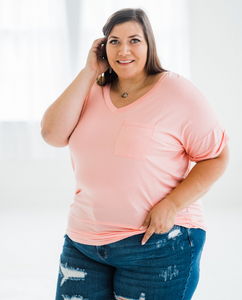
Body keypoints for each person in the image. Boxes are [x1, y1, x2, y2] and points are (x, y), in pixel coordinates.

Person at [41, 8, 229, 300]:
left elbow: (216, 156)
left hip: (158, 246)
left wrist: (173, 204)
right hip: (83, 243)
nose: (123, 49)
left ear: (149, 44)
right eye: (114, 41)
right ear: (103, 47)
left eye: (134, 40)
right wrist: (90, 71)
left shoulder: (177, 92)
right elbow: (52, 134)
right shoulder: (90, 91)